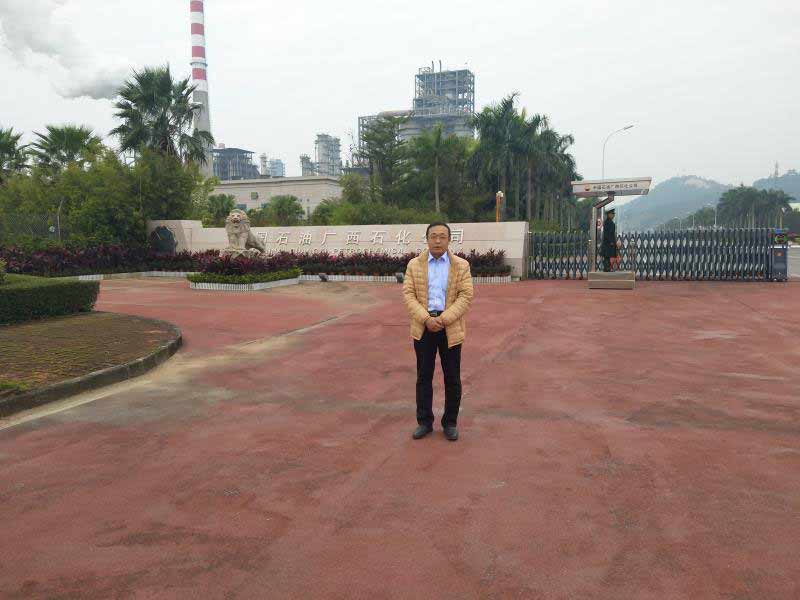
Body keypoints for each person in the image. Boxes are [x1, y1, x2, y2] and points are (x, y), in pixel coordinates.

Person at [402, 222, 474, 441]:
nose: (437, 240)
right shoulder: (414, 265)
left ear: (449, 240)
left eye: (442, 236)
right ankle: (424, 422)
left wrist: (443, 319)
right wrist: (426, 319)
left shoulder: (461, 265)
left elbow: (466, 296)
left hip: (449, 327)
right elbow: (408, 294)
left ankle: (450, 423)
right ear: (427, 239)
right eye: (433, 236)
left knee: (452, 377)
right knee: (424, 376)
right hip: (423, 327)